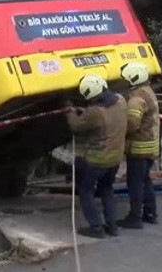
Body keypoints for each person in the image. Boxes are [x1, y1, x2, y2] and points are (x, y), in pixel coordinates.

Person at [66, 74, 128, 238]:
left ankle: (96, 228)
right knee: (107, 190)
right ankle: (112, 226)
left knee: (86, 191)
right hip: (115, 159)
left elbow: (76, 126)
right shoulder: (121, 101)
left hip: (96, 161)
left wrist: (69, 110)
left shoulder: (95, 112)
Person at [117, 62, 160, 229]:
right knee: (145, 181)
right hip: (150, 146)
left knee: (135, 183)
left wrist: (119, 130)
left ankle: (134, 217)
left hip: (139, 148)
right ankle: (150, 213)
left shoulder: (137, 98)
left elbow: (132, 124)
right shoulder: (148, 92)